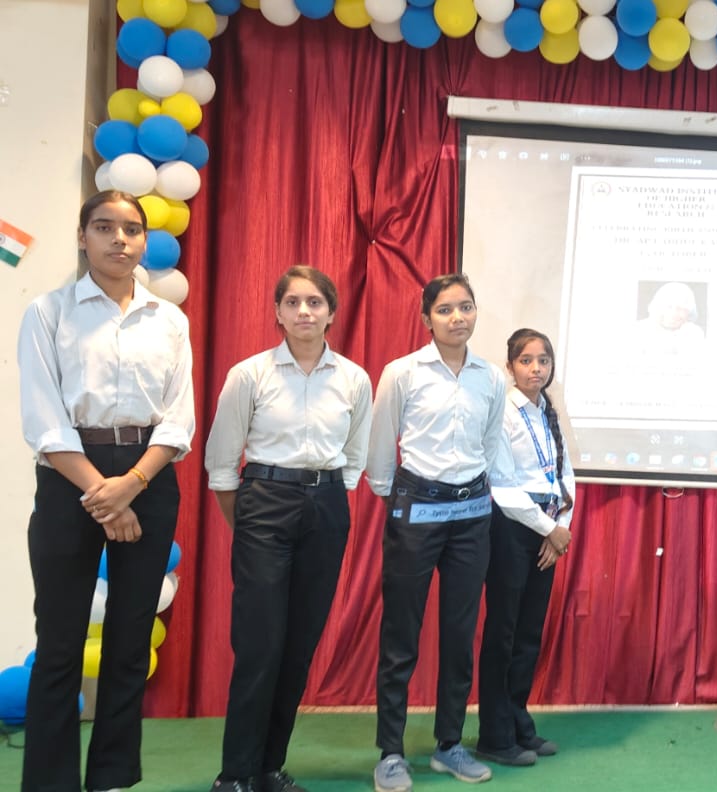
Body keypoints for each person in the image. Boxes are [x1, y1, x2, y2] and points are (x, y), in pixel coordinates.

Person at [17, 190, 195, 791]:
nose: (120, 239)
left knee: (129, 638)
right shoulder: (48, 312)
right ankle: (50, 782)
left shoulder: (169, 320)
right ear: (82, 236)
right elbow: (44, 418)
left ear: (145, 240)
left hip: (149, 473)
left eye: (132, 229)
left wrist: (133, 484)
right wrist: (104, 494)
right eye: (104, 227)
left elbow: (178, 419)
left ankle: (112, 777)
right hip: (70, 475)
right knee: (60, 640)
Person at [204, 266, 373, 792]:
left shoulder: (354, 379)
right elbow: (221, 464)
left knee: (299, 645)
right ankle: (235, 774)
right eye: (293, 302)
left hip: (326, 507)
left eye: (315, 302)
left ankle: (269, 768)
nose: (304, 311)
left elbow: (356, 455)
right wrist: (249, 523)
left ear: (331, 312)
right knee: (260, 645)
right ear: (277, 312)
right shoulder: (249, 375)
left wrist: (327, 495)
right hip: (264, 502)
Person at [366, 273, 507, 791]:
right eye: (445, 309)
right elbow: (381, 444)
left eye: (465, 307)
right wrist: (397, 497)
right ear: (426, 318)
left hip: (471, 514)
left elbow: (490, 443)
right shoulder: (402, 372)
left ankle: (450, 744)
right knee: (400, 635)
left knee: (459, 633)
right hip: (416, 511)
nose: (457, 317)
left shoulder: (491, 377)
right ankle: (390, 753)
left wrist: (470, 489)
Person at [478, 329, 576, 767]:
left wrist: (560, 527)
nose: (536, 368)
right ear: (510, 366)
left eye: (543, 360)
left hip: (546, 529)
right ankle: (494, 735)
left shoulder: (548, 411)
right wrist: (549, 528)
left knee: (529, 634)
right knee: (504, 631)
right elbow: (501, 484)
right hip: (513, 528)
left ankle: (518, 722)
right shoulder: (502, 411)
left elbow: (565, 474)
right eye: (526, 360)